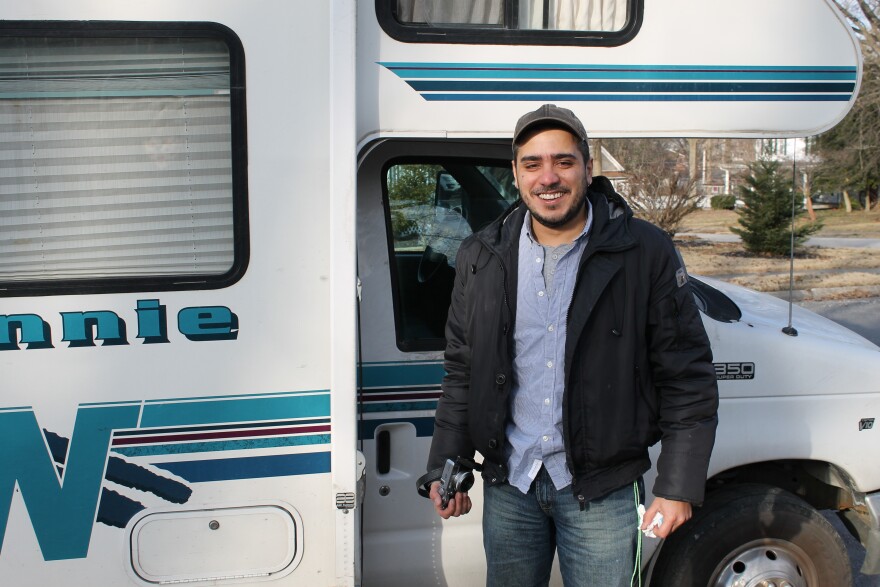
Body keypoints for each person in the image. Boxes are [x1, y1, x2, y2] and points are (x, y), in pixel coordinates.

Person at [420, 104, 719, 586]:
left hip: (604, 493)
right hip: (510, 488)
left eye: (563, 161)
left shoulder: (644, 251)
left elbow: (686, 377)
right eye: (532, 164)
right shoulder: (481, 255)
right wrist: (445, 465)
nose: (548, 178)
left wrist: (678, 486)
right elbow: (462, 372)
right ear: (515, 173)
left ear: (588, 167)